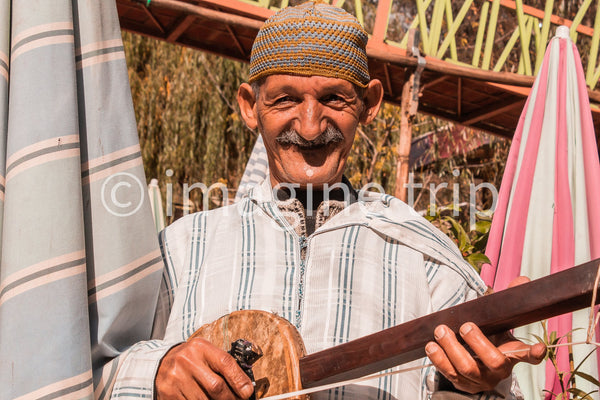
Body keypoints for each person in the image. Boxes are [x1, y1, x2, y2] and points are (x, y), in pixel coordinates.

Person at [109, 2, 545, 399]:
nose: (312, 126)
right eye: (285, 99)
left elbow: (498, 390)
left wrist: (471, 386)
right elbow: (92, 373)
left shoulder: (426, 258)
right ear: (249, 105)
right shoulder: (183, 248)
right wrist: (157, 371)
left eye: (334, 98)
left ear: (370, 104)